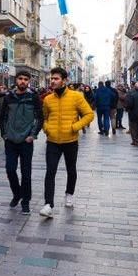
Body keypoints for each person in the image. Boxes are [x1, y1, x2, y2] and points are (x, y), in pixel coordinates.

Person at [41, 67, 94, 217]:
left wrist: (75, 127)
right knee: (50, 172)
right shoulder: (47, 99)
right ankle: (48, 204)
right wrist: (47, 128)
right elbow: (44, 117)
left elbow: (89, 115)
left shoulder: (76, 96)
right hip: (52, 141)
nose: (52, 81)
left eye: (56, 79)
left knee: (71, 169)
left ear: (64, 81)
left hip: (70, 141)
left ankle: (69, 194)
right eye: (52, 78)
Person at [0, 71, 43, 214]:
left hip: (26, 141)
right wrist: (4, 135)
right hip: (10, 140)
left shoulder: (33, 97)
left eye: (25, 79)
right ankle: (17, 194)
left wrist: (33, 135)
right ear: (16, 80)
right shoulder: (8, 97)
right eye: (20, 79)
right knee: (10, 170)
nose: (22, 81)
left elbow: (40, 118)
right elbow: (3, 117)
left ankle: (25, 201)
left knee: (26, 173)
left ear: (28, 81)